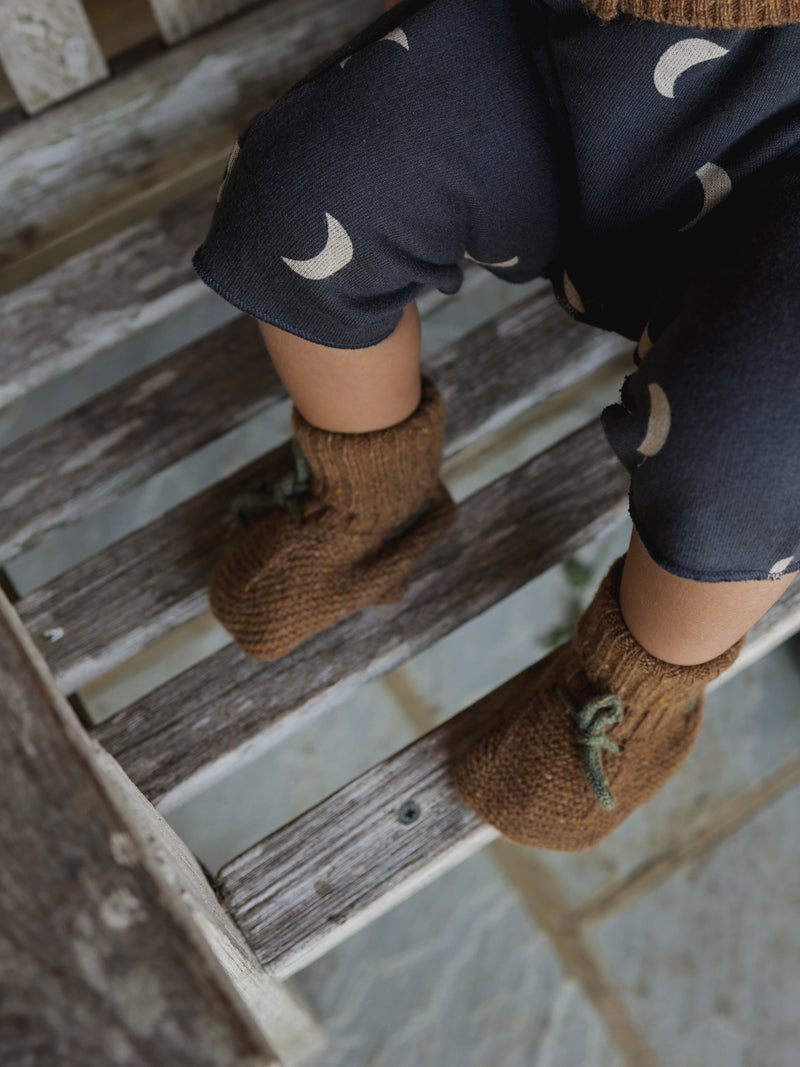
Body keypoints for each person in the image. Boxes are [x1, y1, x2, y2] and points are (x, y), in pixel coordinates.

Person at [192, 0, 800, 850]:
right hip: (571, 49)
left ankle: (632, 695)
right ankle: (371, 496)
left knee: (760, 440)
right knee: (303, 191)